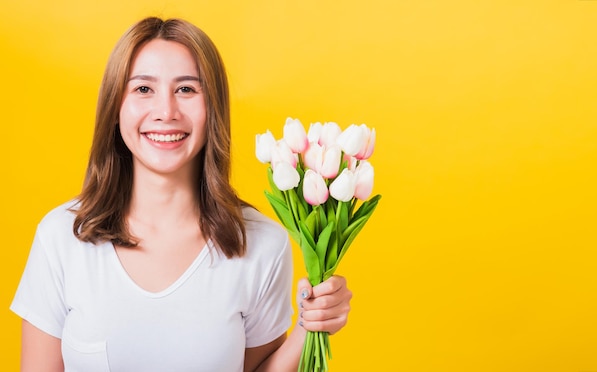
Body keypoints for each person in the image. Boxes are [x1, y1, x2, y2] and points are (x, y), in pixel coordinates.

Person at [10, 16, 352, 372]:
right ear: (115, 107)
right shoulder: (61, 238)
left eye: (186, 89)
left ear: (213, 109)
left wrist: (309, 326)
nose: (165, 112)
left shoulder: (263, 244)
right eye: (143, 89)